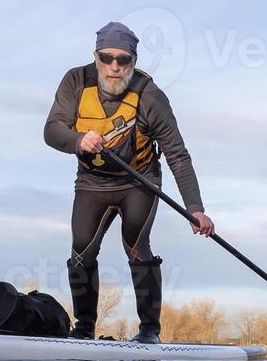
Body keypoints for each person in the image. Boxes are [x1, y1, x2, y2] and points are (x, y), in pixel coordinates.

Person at [44, 22, 215, 343]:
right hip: (92, 183)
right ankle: (83, 329)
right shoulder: (75, 82)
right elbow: (52, 130)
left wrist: (195, 208)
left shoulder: (150, 96)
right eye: (107, 57)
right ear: (95, 55)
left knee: (136, 246)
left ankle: (149, 331)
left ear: (133, 62)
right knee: (81, 250)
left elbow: (177, 155)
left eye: (123, 60)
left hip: (139, 182)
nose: (114, 67)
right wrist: (78, 139)